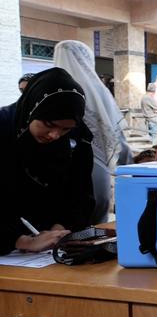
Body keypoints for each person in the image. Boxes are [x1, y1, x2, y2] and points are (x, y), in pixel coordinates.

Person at [0, 67, 95, 255]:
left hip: (49, 252)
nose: (55, 135)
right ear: (32, 110)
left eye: (65, 129)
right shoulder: (3, 130)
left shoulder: (78, 140)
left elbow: (80, 194)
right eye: (49, 125)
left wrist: (59, 229)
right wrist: (23, 241)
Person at [54, 40, 132, 224]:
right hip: (96, 171)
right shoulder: (97, 90)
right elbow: (118, 141)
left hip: (58, 176)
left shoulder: (51, 91)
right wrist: (128, 168)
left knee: (63, 234)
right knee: (96, 233)